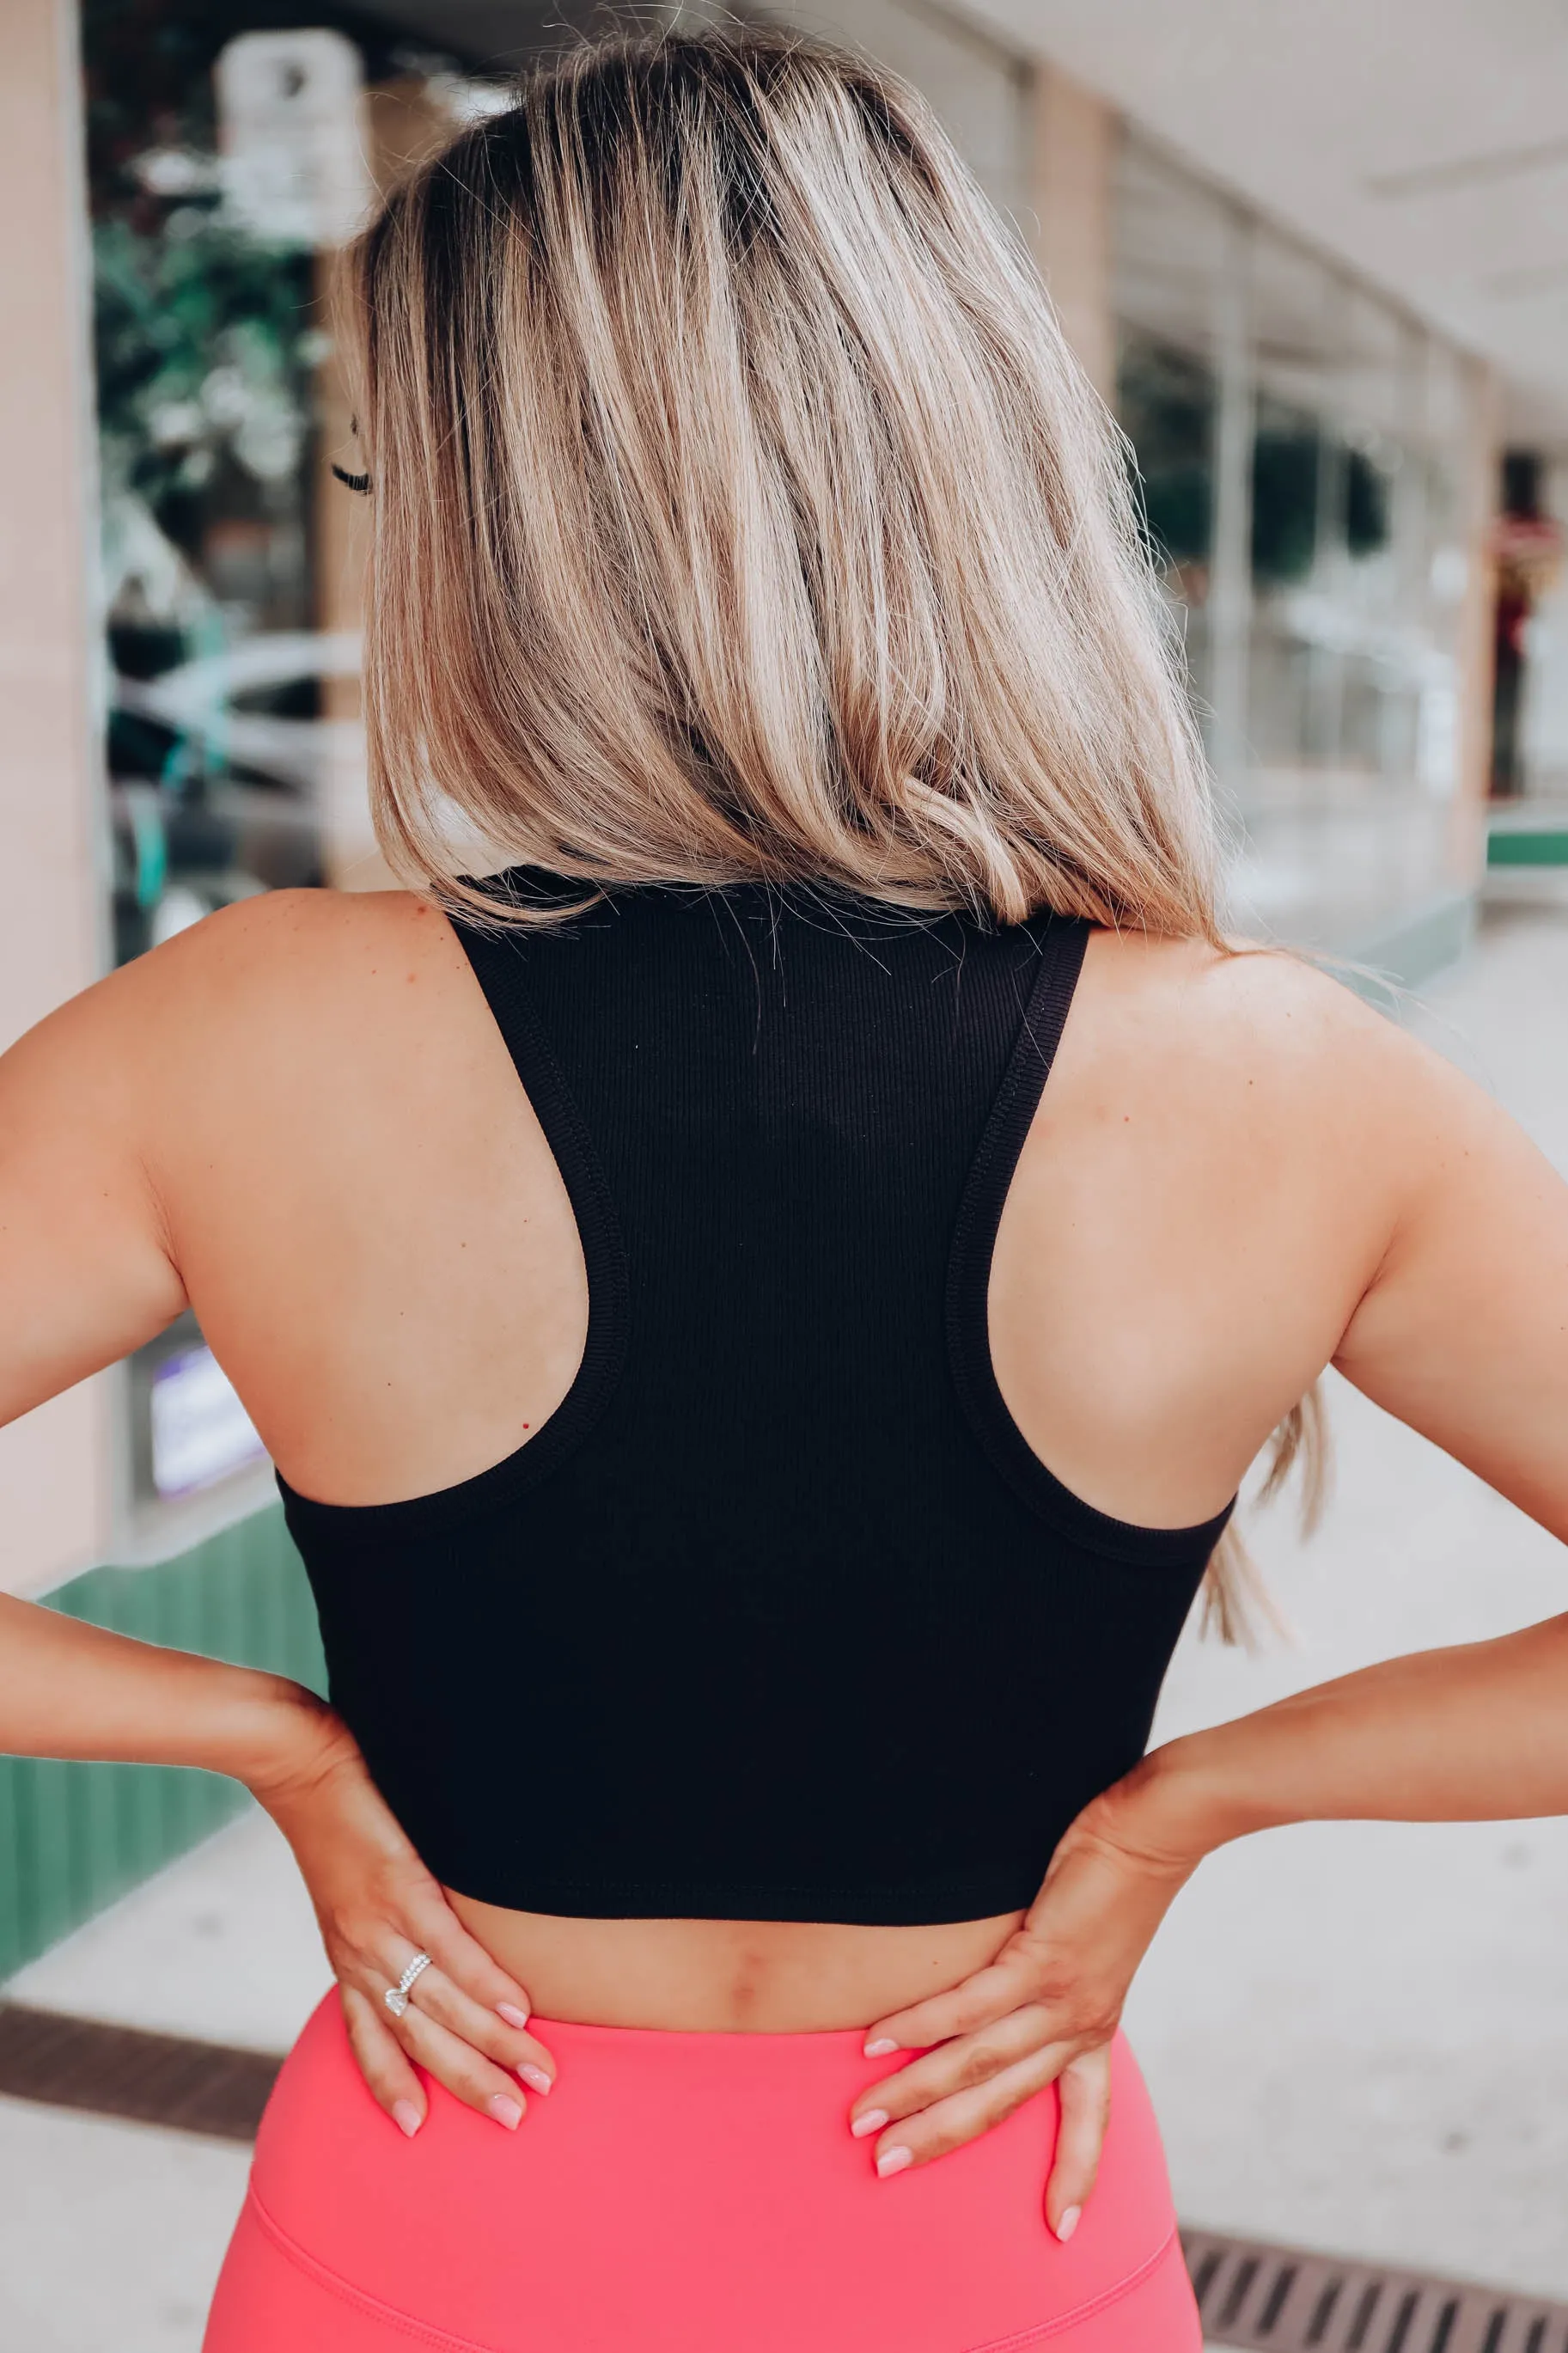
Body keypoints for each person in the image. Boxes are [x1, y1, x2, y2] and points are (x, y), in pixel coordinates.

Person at [3, 28, 1566, 2352]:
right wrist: (1186, 1812)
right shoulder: (1287, 1081)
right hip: (987, 2224)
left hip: (435, 2214)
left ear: (480, 516)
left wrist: (272, 1748)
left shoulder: (235, 1039)